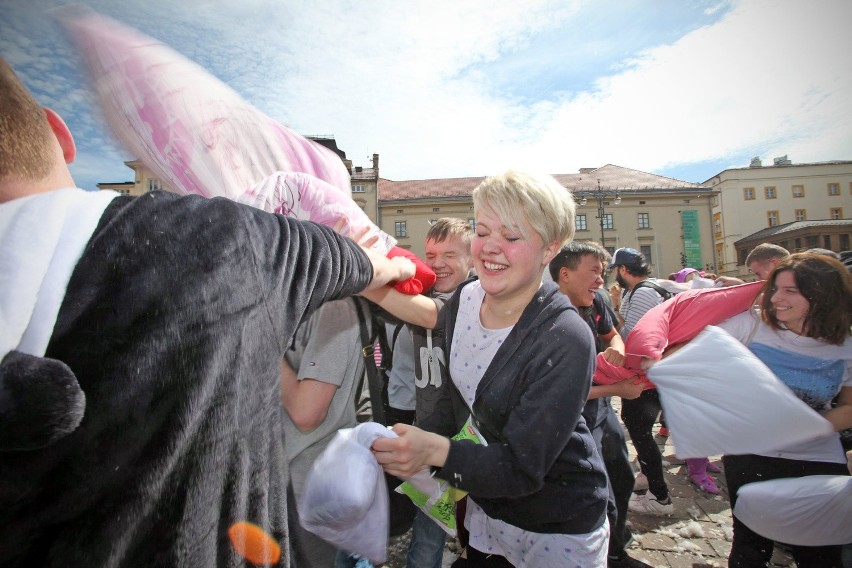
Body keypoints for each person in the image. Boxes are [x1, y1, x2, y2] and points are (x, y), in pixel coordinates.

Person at [0, 58, 414, 567]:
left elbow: (310, 406)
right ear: (60, 135)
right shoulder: (228, 239)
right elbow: (370, 264)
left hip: (309, 492)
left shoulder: (301, 285)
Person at [365, 170, 610, 567]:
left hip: (556, 522)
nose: (490, 248)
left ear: (550, 248)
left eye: (512, 237)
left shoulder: (566, 336)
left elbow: (523, 469)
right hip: (487, 509)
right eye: (482, 231)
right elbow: (452, 397)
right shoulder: (464, 299)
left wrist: (437, 451)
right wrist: (419, 445)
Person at [717, 253, 851, 567]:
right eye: (775, 288)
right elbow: (692, 346)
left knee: (820, 553)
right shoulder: (750, 325)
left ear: (821, 294)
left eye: (790, 291)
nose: (776, 298)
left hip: (816, 459)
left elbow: (848, 407)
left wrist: (810, 426)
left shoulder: (845, 345)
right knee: (750, 548)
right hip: (751, 456)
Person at [549, 242, 649, 568]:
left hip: (601, 412)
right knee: (593, 491)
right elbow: (561, 392)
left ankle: (617, 547)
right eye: (594, 271)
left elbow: (613, 335)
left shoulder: (595, 303)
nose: (601, 280)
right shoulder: (546, 319)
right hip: (569, 420)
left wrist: (616, 348)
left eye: (603, 272)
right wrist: (617, 387)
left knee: (621, 476)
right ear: (565, 274)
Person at [279, 298, 374, 567]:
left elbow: (306, 413)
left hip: (309, 490)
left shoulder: (334, 307)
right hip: (281, 484)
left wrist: (263, 344)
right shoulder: (291, 297)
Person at [401, 218, 474, 568]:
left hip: (477, 436)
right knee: (428, 529)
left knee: (482, 523)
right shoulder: (420, 294)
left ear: (472, 258)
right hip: (431, 428)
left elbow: (435, 317)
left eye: (449, 254)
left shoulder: (477, 297)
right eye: (430, 254)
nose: (437, 263)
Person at [608, 247, 674, 516]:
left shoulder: (643, 292)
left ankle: (660, 498)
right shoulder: (648, 289)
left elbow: (631, 336)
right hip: (651, 371)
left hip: (646, 373)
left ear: (623, 270)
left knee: (640, 431)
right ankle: (647, 475)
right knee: (639, 427)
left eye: (615, 270)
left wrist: (612, 310)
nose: (614, 275)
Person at [716, 243, 790, 287]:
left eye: (759, 274)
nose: (758, 279)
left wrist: (742, 285)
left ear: (774, 263)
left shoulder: (796, 284)